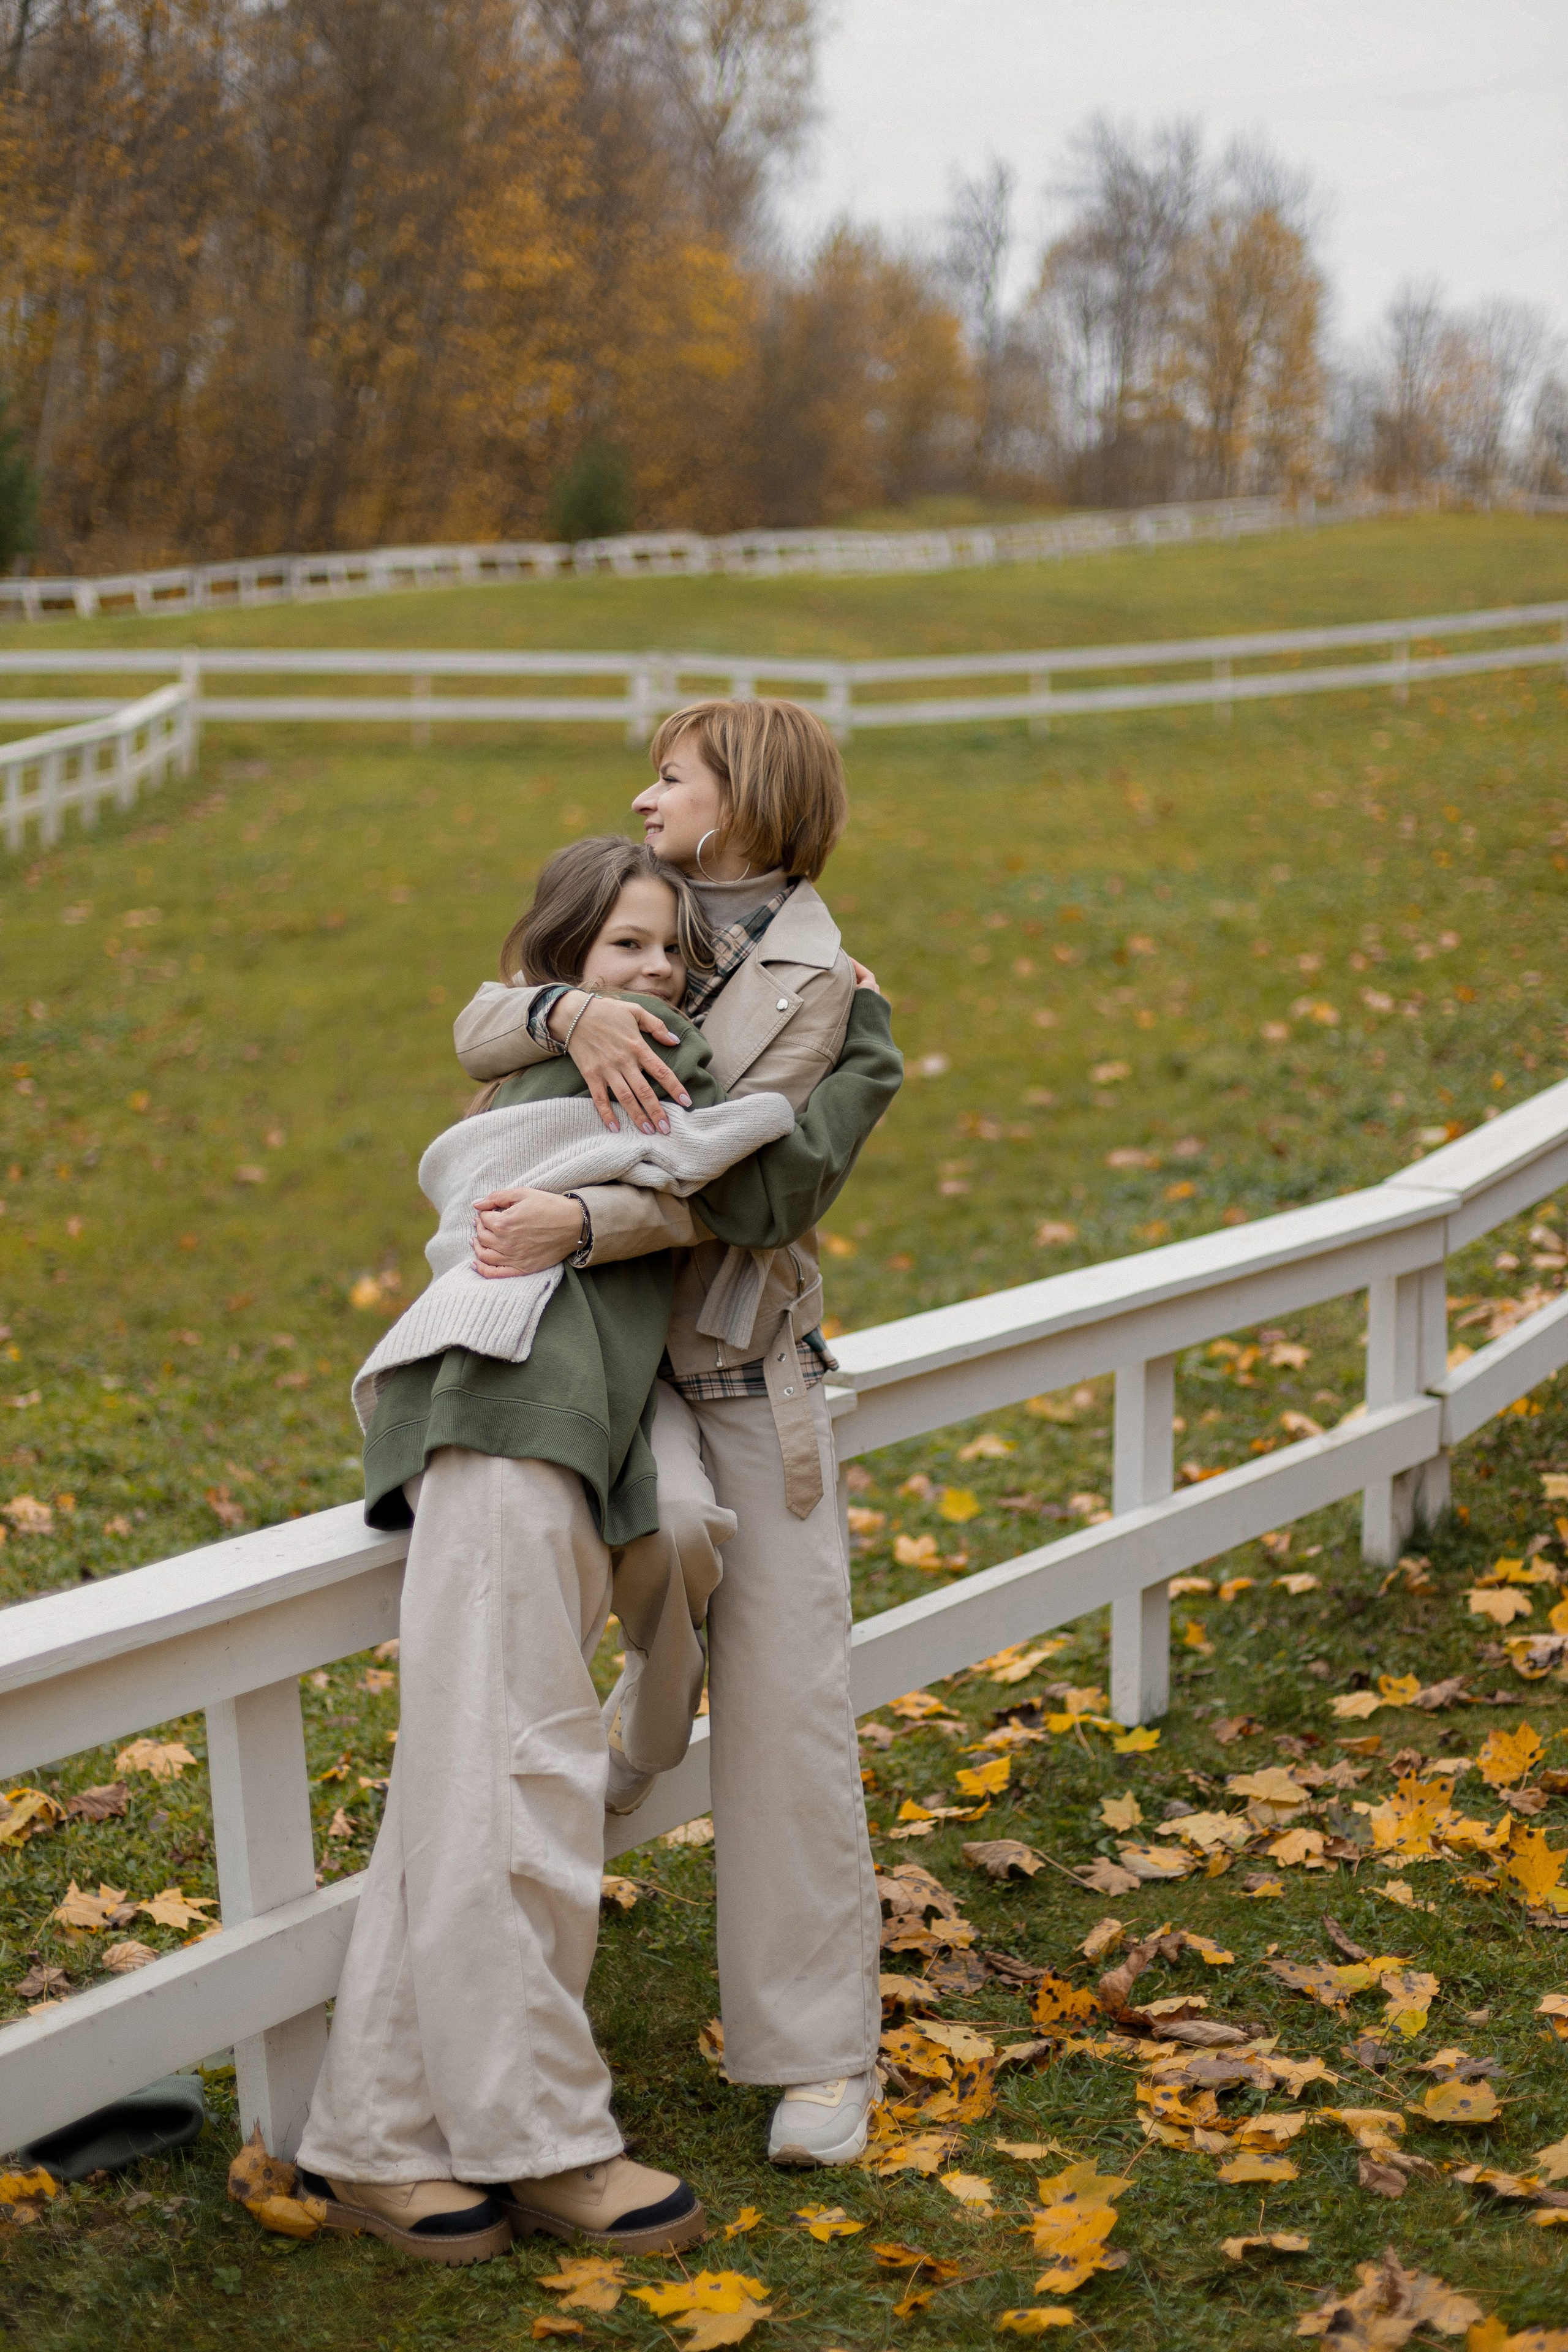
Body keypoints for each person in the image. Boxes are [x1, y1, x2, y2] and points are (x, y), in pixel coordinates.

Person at [297, 827, 897, 2260]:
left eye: (672, 952)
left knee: (476, 1769)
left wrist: (821, 1004)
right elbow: (555, 1066)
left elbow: (757, 1153)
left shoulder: (646, 1046)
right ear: (560, 965)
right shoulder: (586, 1058)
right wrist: (571, 1012)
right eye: (621, 949)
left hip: (572, 1417)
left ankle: (377, 2137)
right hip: (506, 1401)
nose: (656, 974)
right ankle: (545, 2137)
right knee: (511, 1769)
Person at [452, 699, 903, 2171]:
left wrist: (588, 1218)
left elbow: (768, 1194)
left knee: (790, 1709)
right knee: (602, 1596)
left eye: (672, 777)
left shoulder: (841, 994)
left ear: (747, 799)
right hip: (592, 1369)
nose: (645, 797)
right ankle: (629, 1760)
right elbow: (479, 1013)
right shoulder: (621, 917)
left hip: (738, 1375)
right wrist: (558, 1008)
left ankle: (820, 2056)